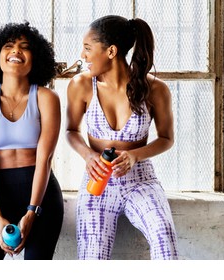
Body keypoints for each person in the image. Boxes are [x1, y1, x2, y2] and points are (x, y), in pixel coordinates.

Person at [65, 15, 179, 260]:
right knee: (91, 257)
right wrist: (88, 155)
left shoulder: (155, 89)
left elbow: (166, 138)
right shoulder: (81, 85)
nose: (83, 55)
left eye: (87, 48)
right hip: (98, 181)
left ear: (111, 51)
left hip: (141, 180)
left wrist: (135, 156)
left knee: (164, 236)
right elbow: (71, 131)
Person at [0, 22, 63, 260]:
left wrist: (32, 212)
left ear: (36, 57)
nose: (15, 51)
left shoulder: (46, 98)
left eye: (24, 47)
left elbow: (45, 159)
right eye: (8, 46)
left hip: (40, 195)